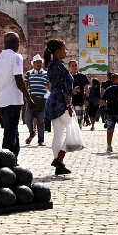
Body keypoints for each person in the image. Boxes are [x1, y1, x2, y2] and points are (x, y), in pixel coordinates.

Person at [0, 32, 34, 159]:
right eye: (18, 43)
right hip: (13, 100)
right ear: (15, 44)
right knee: (10, 132)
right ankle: (5, 160)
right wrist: (29, 99)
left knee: (13, 131)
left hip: (2, 101)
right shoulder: (16, 57)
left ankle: (14, 159)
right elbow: (19, 79)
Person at [44, 39, 73, 175]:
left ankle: (58, 164)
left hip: (53, 100)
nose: (65, 51)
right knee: (73, 132)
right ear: (58, 51)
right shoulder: (59, 66)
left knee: (58, 134)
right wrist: (68, 104)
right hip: (61, 101)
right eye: (64, 48)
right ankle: (59, 159)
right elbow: (64, 88)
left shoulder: (51, 65)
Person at [25, 54, 49, 145]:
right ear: (33, 63)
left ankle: (41, 140)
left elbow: (49, 87)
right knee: (27, 119)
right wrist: (26, 98)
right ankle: (32, 133)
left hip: (42, 100)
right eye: (37, 62)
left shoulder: (46, 74)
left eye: (40, 62)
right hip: (31, 100)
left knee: (41, 121)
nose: (39, 64)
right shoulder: (28, 73)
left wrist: (46, 98)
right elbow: (26, 86)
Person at [100, 73, 118, 152]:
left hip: (110, 112)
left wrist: (107, 105)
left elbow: (102, 100)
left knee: (110, 130)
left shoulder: (108, 89)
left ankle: (109, 146)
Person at [68, 60, 89, 127]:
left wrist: (86, 99)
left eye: (76, 65)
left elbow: (87, 89)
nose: (74, 67)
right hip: (69, 102)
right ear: (69, 67)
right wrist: (72, 91)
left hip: (80, 102)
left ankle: (78, 136)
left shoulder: (82, 76)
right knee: (70, 122)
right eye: (72, 65)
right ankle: (71, 137)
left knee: (79, 121)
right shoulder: (66, 77)